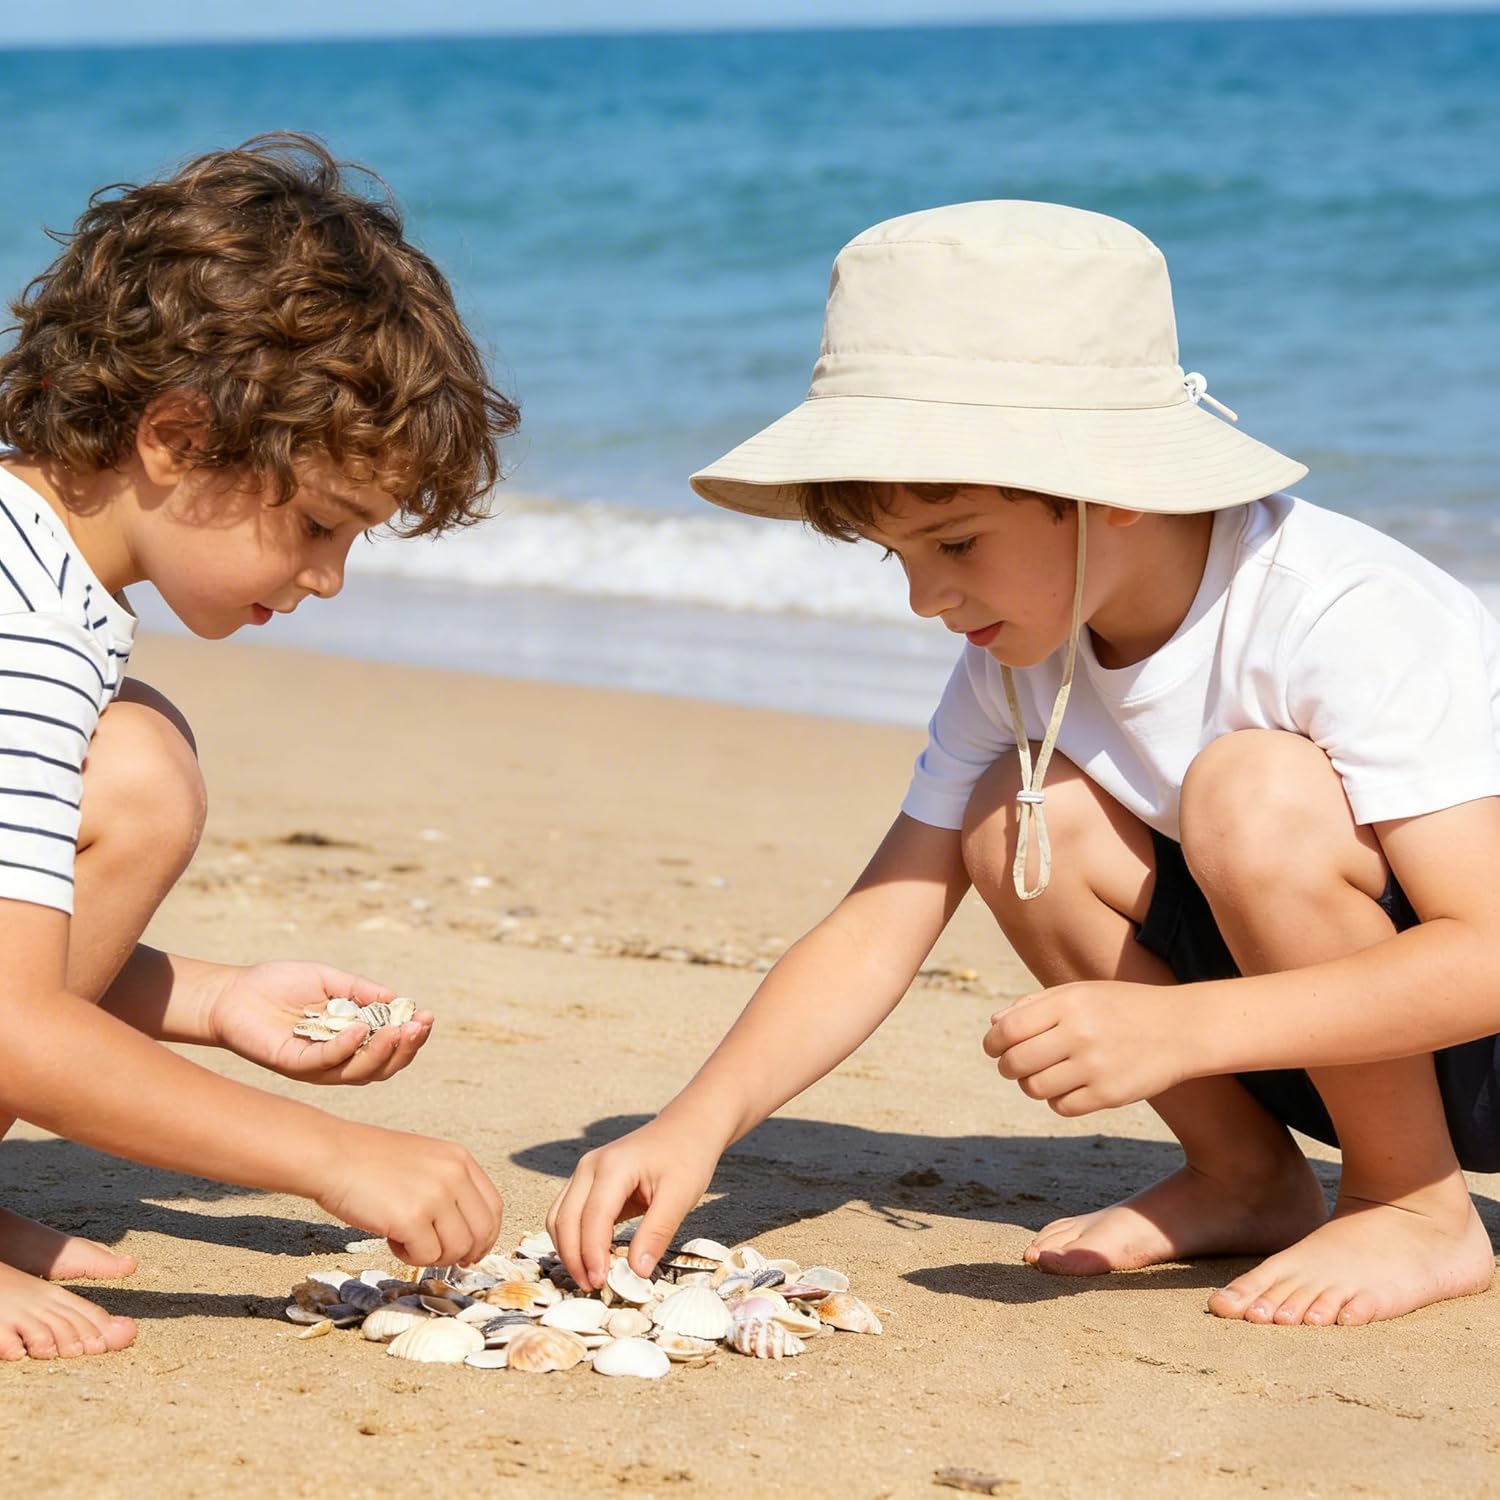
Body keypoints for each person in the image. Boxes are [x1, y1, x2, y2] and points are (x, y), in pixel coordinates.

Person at [548, 200, 1500, 1329]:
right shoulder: (1023, 658)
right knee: (1012, 812)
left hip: (1460, 1040)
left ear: (1118, 487)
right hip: (1301, 1034)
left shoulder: (1339, 610)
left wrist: (1189, 1029)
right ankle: (1247, 1178)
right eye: (896, 554)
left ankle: (1412, 1205)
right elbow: (879, 920)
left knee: (1253, 791)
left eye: (955, 542)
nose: (925, 596)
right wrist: (693, 1124)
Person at [0, 134, 515, 1360]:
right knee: (141, 774)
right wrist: (332, 1156)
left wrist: (219, 999)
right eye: (321, 525)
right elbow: (8, 1017)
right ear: (177, 440)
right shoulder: (25, 631)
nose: (329, 578)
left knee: (135, 753)